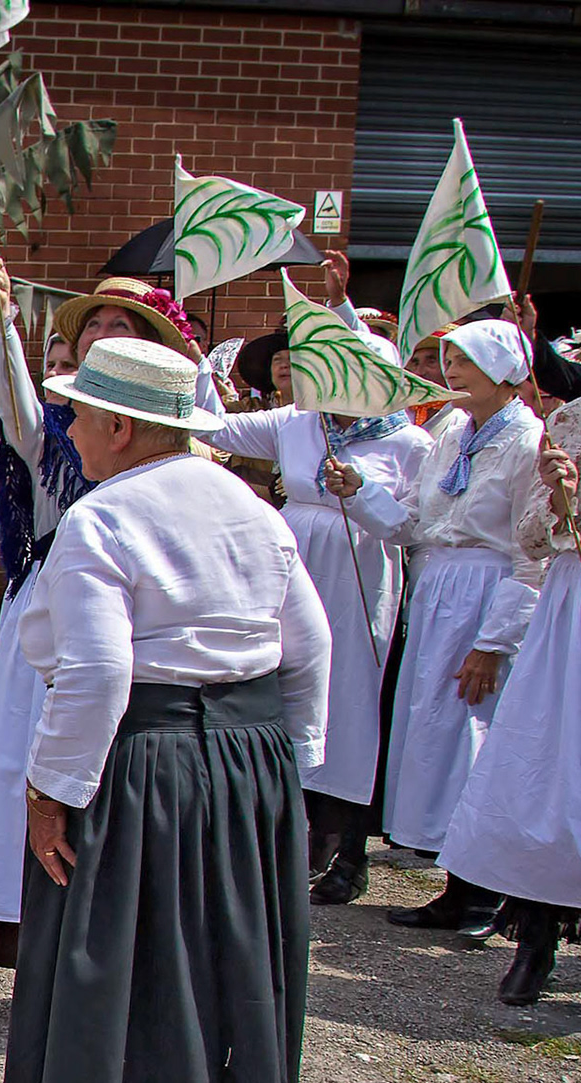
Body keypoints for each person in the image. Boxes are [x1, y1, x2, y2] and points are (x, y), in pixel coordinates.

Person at [0, 337, 330, 1083]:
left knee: (126, 989)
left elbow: (98, 672)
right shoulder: (256, 514)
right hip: (244, 769)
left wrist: (51, 788)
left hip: (142, 769)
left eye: (82, 416)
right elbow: (308, 650)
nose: (72, 430)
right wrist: (282, 773)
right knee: (231, 992)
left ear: (124, 426)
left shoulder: (104, 520)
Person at [0, 260, 212, 969]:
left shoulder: (165, 447)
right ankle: (23, 914)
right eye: (85, 329)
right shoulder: (44, 434)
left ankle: (113, 926)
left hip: (137, 612)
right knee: (26, 753)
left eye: (115, 329)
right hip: (52, 601)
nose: (95, 337)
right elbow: (1, 423)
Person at [322, 320, 545, 931]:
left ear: (502, 369)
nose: (451, 371)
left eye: (465, 360)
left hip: (485, 593)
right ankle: (456, 879)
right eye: (447, 358)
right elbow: (412, 524)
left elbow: (533, 553)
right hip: (439, 593)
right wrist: (361, 490)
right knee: (433, 737)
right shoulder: (449, 435)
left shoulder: (527, 442)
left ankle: (485, 888)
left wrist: (494, 641)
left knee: (474, 737)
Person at [204, 326, 432, 904]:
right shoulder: (299, 424)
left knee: (351, 703)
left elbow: (414, 527)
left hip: (362, 570)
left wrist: (360, 492)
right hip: (295, 557)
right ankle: (287, 837)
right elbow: (215, 426)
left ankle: (350, 851)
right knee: (281, 685)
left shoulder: (411, 445)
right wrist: (199, 367)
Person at [437, 380, 581, 1002]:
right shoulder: (576, 418)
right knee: (552, 765)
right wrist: (561, 495)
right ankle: (535, 938)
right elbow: (534, 537)